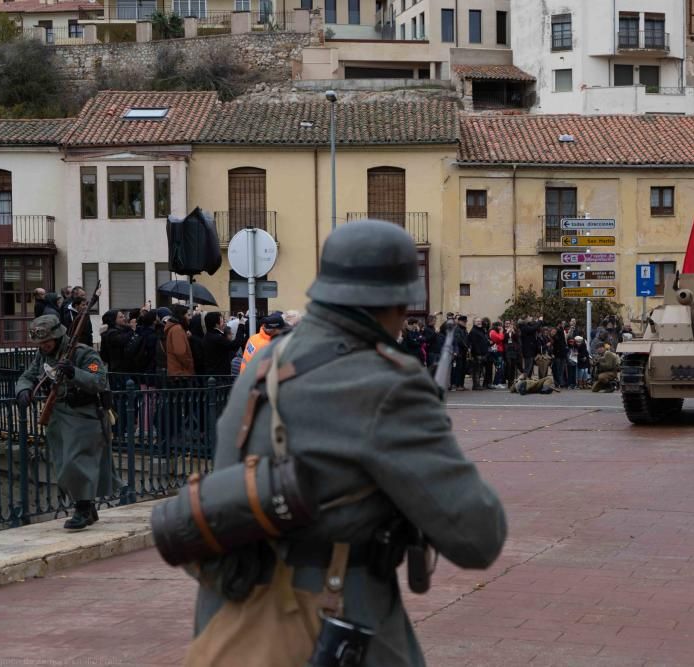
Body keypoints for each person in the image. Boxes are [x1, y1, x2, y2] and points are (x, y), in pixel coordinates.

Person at [190, 219, 506, 665]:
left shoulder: (266, 362)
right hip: (332, 629)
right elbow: (479, 535)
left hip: (235, 626)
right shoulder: (387, 383)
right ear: (396, 303)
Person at [14, 315, 121, 530]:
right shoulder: (43, 356)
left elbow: (98, 378)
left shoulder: (83, 353)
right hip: (59, 417)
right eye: (40, 344)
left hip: (84, 416)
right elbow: (28, 375)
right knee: (63, 464)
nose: (44, 347)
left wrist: (74, 372)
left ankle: (82, 508)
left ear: (58, 336)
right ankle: (87, 507)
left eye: (47, 343)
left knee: (75, 462)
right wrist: (23, 390)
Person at [202, 311, 246, 376]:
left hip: (211, 373)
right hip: (219, 376)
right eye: (222, 321)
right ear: (216, 324)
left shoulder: (208, 335)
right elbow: (235, 344)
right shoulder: (217, 338)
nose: (225, 323)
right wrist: (241, 324)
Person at [99, 310, 133, 374]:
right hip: (117, 368)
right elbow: (122, 341)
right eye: (121, 317)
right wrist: (132, 330)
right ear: (113, 319)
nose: (124, 318)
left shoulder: (121, 329)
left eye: (123, 316)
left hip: (122, 367)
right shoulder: (111, 333)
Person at [467, 318, 490, 390]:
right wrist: (478, 353)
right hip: (477, 354)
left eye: (480, 321)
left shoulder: (481, 330)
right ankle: (476, 385)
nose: (479, 322)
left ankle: (479, 384)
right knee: (476, 370)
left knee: (480, 370)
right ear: (474, 323)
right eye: (477, 321)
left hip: (483, 353)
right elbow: (474, 343)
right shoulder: (473, 331)